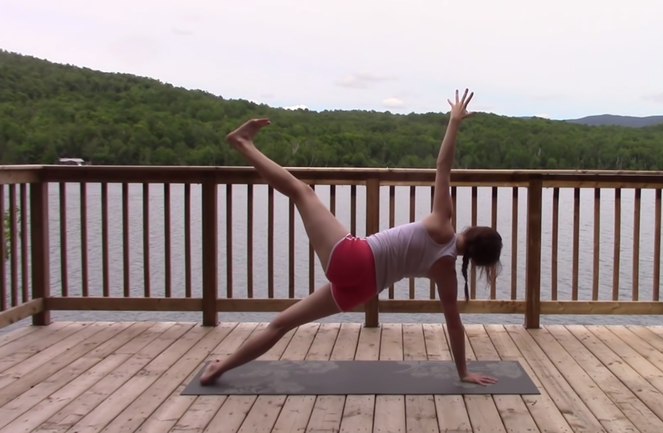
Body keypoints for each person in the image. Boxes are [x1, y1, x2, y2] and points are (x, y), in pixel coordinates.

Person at [200, 88, 503, 386]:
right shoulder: (447, 272)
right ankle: (218, 369)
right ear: (475, 260)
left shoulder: (442, 223)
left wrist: (453, 121)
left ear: (470, 230)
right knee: (283, 324)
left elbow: (442, 166)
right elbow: (453, 322)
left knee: (301, 191)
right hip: (361, 289)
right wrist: (463, 372)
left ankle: (242, 143)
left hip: (354, 259)